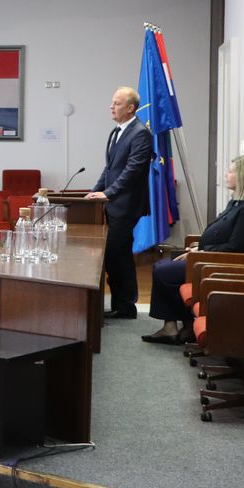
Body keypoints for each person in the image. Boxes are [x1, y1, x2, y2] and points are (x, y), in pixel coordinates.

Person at [142, 155, 244, 344]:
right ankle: (177, 326)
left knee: (163, 272)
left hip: (223, 266)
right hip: (209, 257)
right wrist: (200, 246)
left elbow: (236, 248)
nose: (226, 175)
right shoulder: (237, 203)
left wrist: (202, 252)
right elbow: (223, 235)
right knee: (162, 265)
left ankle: (180, 325)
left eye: (231, 171)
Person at [85, 86, 152, 319]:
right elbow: (111, 168)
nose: (111, 107)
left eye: (117, 103)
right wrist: (94, 193)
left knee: (117, 255)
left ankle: (125, 306)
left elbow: (132, 170)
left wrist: (109, 193)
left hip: (126, 205)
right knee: (118, 255)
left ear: (130, 108)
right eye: (112, 102)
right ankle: (122, 306)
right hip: (114, 203)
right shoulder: (119, 131)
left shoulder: (140, 133)